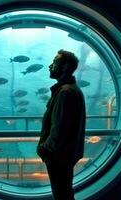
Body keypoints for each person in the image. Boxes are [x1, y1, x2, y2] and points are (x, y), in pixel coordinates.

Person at [36, 49, 86, 200]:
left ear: (64, 67)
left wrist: (44, 149)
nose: (50, 66)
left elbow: (59, 129)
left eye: (55, 62)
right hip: (65, 154)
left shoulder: (65, 92)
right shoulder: (71, 90)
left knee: (62, 195)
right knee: (64, 193)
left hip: (58, 156)